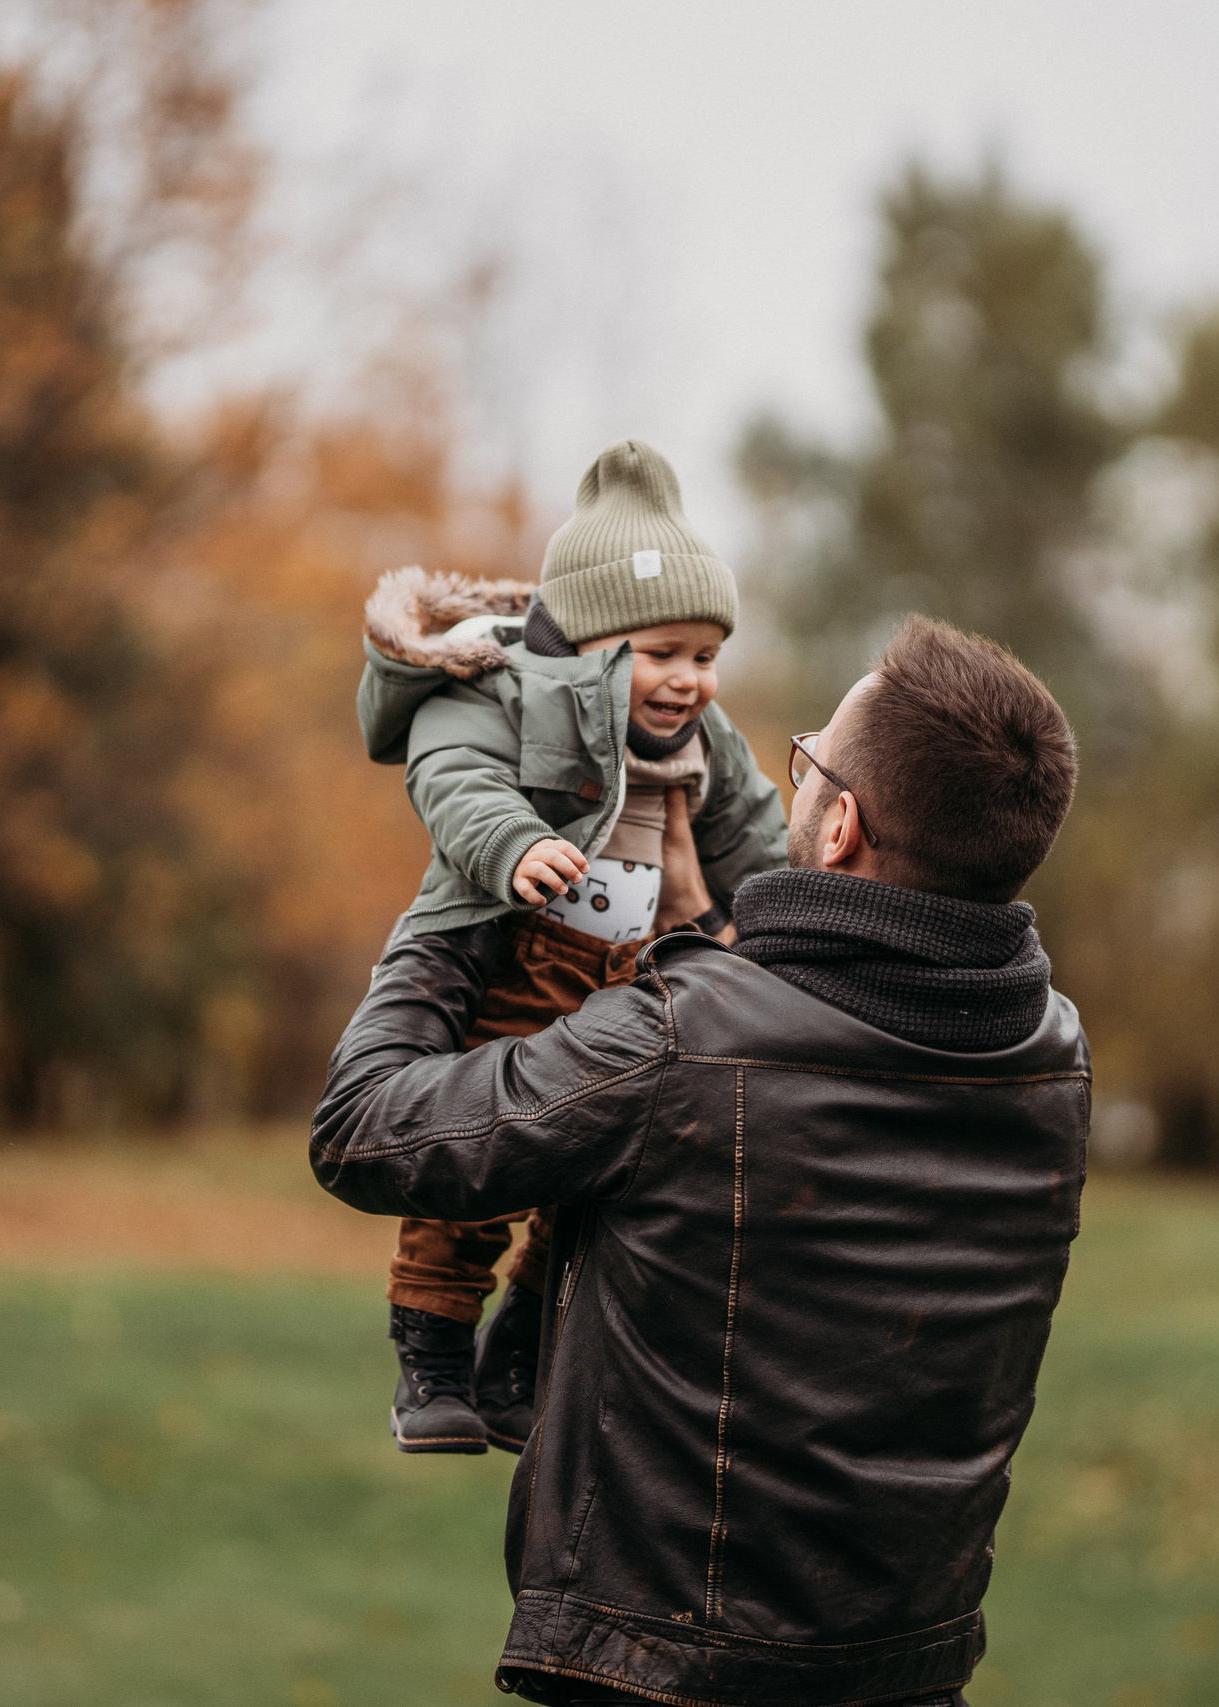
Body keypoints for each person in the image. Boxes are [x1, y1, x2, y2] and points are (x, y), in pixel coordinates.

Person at [313, 616, 1088, 1707]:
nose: (796, 777)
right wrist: (710, 943)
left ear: (839, 830)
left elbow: (364, 1130)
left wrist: (462, 890)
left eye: (807, 763)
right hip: (908, 1665)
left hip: (669, 1673)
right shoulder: (1052, 1058)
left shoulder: (685, 1040)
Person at [355, 438, 788, 1454]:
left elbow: (756, 840)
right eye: (664, 652)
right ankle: (431, 1355)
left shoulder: (702, 744)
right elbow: (452, 773)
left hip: (628, 973)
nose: (691, 681)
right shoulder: (505, 687)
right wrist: (513, 846)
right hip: (522, 952)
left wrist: (786, 917)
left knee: (590, 1169)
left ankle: (519, 1352)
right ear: (591, 644)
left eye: (707, 655)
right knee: (477, 1154)